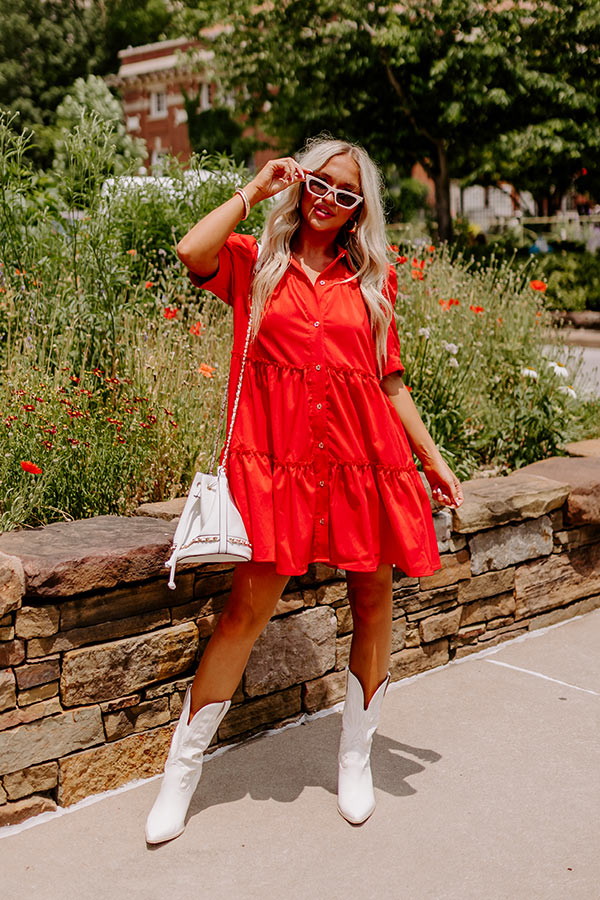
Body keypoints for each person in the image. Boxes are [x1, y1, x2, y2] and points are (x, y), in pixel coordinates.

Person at [145, 137, 463, 844]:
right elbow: (191, 251)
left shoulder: (372, 282)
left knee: (373, 600)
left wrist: (433, 459)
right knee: (245, 610)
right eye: (321, 184)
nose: (329, 200)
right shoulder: (257, 263)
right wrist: (256, 190)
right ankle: (181, 775)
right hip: (276, 463)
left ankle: (355, 757)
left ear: (359, 211)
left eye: (347, 195)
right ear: (303, 181)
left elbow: (391, 383)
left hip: (363, 462)